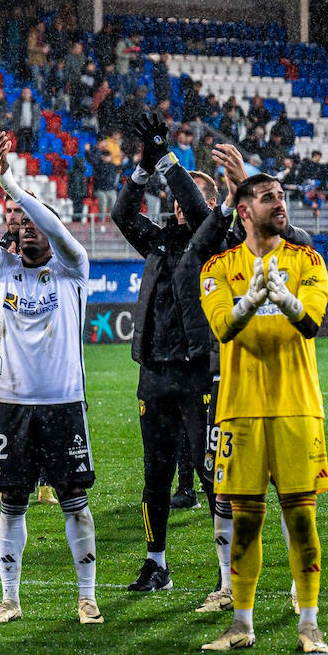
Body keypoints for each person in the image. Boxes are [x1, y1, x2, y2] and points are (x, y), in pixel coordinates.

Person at [198, 174, 328, 654]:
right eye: (268, 196)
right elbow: (221, 327)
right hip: (240, 409)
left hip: (297, 408)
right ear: (244, 210)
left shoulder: (307, 260)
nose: (280, 202)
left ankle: (310, 625)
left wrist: (286, 299)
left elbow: (311, 322)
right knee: (246, 521)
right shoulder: (218, 266)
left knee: (301, 519)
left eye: (282, 196)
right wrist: (251, 301)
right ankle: (241, 625)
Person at [0, 131, 101, 627]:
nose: (24, 228)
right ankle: (9, 598)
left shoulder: (73, 269)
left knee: (74, 501)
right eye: (19, 223)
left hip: (65, 402)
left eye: (31, 222)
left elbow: (57, 230)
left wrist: (18, 190)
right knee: (13, 503)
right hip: (13, 404)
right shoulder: (2, 271)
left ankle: (87, 597)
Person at [111, 114, 223, 595]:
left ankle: (228, 569)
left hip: (199, 373)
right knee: (155, 473)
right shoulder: (158, 239)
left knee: (210, 471)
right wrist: (142, 169)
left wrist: (169, 162)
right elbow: (121, 216)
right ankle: (156, 563)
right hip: (154, 373)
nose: (180, 205)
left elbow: (201, 215)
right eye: (175, 199)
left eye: (188, 199)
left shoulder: (215, 242)